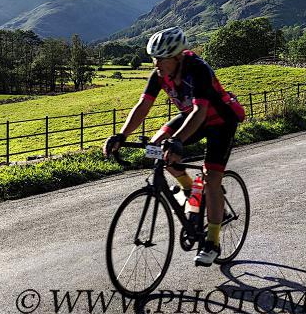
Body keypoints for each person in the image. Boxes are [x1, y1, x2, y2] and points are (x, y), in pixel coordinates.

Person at [103, 27, 244, 267]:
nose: (155, 63)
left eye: (160, 58)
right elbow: (143, 105)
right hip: (192, 117)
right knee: (156, 149)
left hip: (219, 121)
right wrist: (122, 135)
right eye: (153, 58)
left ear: (177, 57)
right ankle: (190, 190)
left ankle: (212, 241)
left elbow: (201, 112)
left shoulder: (198, 70)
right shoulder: (159, 74)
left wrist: (177, 140)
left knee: (211, 178)